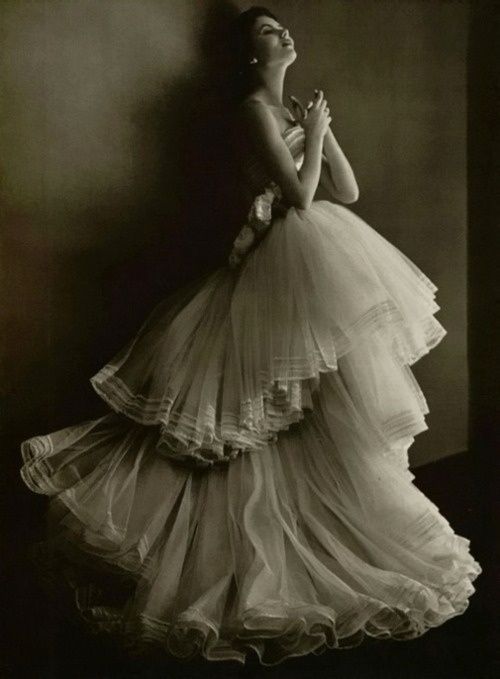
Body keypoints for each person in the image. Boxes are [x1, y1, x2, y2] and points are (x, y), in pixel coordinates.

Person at [19, 5, 481, 667]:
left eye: (282, 26)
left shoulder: (288, 109)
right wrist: (310, 136)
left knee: (325, 406)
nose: (284, 34)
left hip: (316, 259)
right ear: (250, 54)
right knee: (256, 415)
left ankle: (324, 535)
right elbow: (299, 196)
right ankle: (243, 562)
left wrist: (323, 131)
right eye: (268, 31)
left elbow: (346, 192)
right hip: (281, 264)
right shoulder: (254, 111)